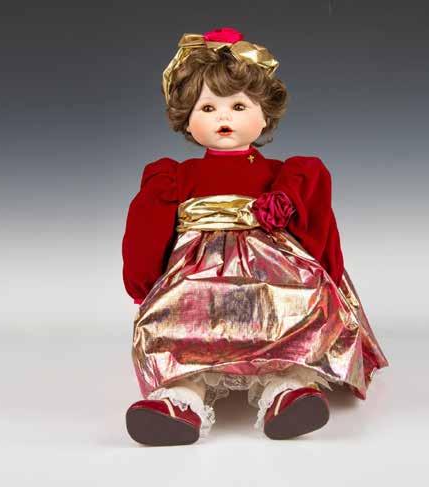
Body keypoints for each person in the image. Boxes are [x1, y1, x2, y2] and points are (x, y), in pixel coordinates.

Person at [122, 27, 388, 446]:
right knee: (177, 317)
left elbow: (317, 221)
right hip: (197, 275)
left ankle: (285, 391)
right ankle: (181, 399)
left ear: (264, 116)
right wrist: (145, 282)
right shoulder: (174, 177)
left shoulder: (286, 175)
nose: (223, 117)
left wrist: (322, 263)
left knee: (292, 305)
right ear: (187, 120)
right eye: (207, 107)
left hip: (271, 269)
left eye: (238, 105)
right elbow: (146, 228)